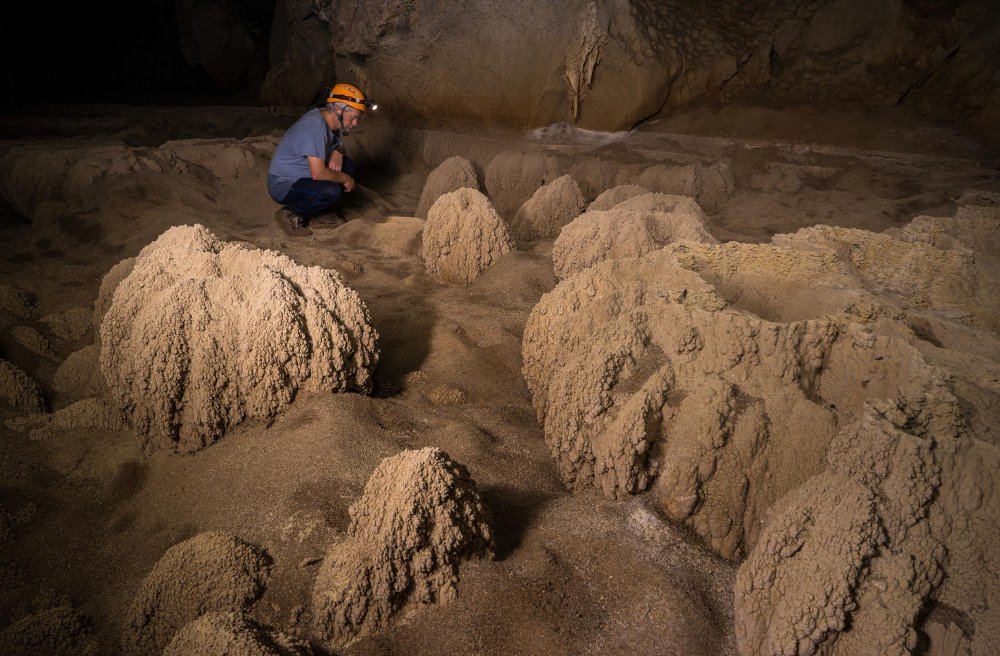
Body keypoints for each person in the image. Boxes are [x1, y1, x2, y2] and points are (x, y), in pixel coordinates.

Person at [267, 83, 376, 236]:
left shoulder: (327, 118)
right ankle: (290, 213)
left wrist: (337, 152)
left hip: (303, 174)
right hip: (283, 183)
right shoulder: (314, 127)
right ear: (339, 110)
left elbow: (337, 143)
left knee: (347, 165)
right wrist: (345, 179)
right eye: (353, 118)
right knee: (331, 191)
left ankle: (321, 214)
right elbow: (318, 174)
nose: (355, 123)